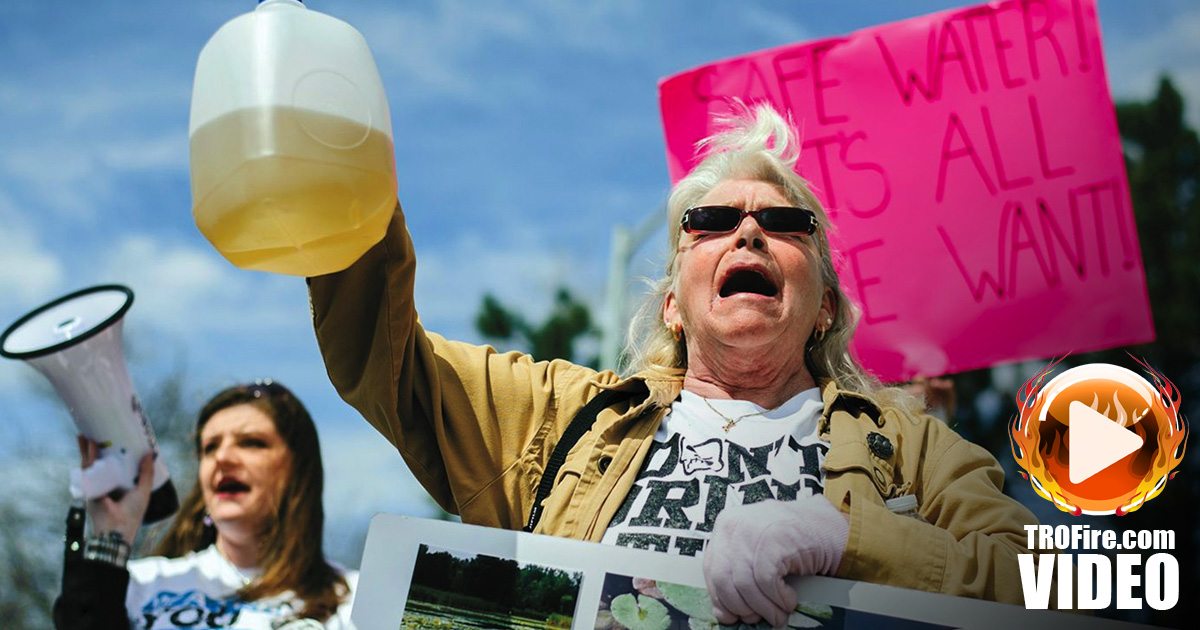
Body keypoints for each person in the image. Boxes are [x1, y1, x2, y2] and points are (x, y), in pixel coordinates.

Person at [308, 102, 1041, 627]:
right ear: (672, 306)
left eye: (785, 224)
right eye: (712, 223)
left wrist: (849, 542)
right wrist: (340, 175)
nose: (749, 232)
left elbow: (1052, 586)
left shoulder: (913, 446)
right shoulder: (563, 418)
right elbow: (386, 356)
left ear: (824, 306)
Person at [53, 380, 356, 630]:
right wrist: (111, 537)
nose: (222, 458)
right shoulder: (140, 584)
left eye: (251, 442)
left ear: (298, 470)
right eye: (210, 447)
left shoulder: (351, 597)